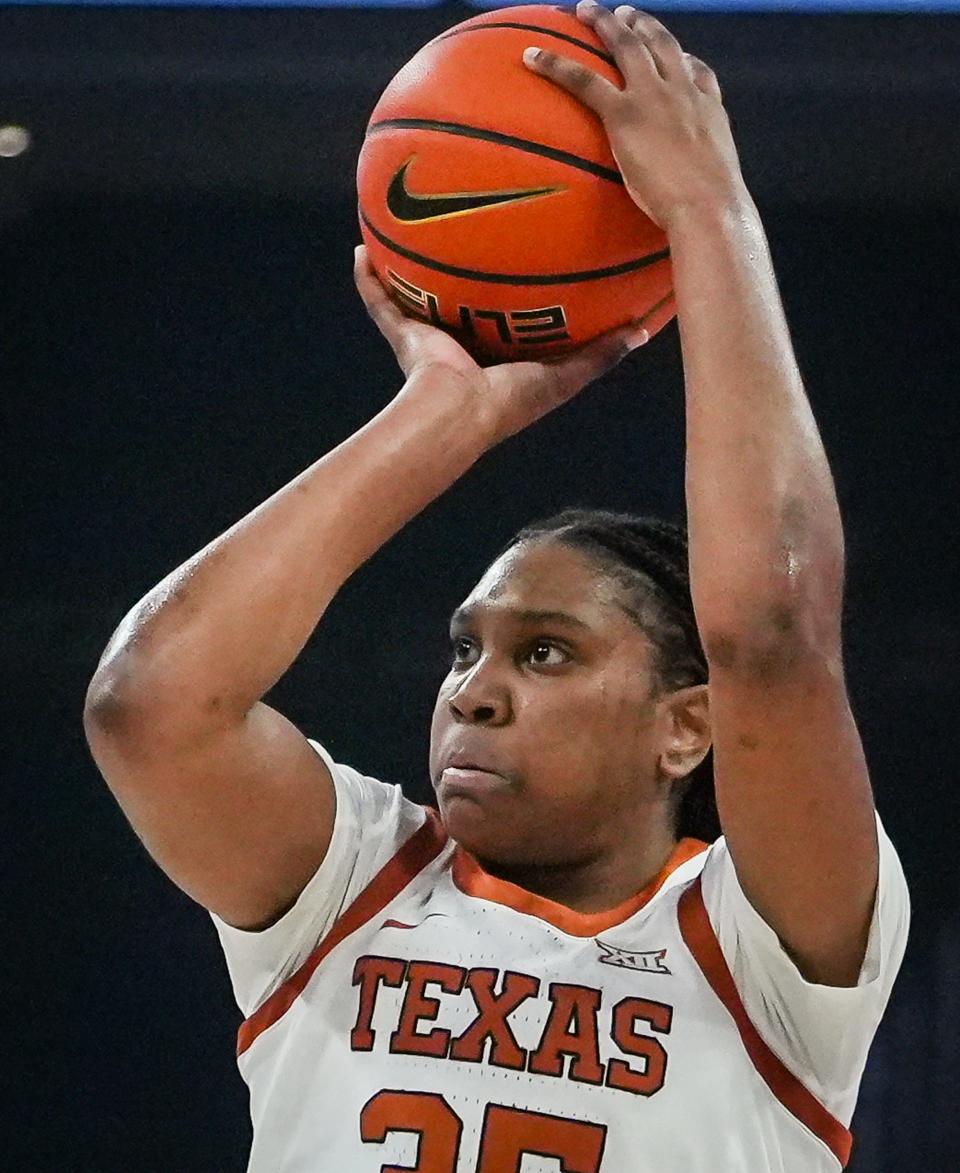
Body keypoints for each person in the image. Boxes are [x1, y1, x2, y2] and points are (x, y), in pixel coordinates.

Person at [82, 4, 909, 1170]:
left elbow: (769, 632)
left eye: (547, 652)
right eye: (465, 649)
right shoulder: (355, 887)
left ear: (687, 728)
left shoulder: (764, 947)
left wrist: (710, 215)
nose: (472, 692)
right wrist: (440, 418)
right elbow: (147, 707)